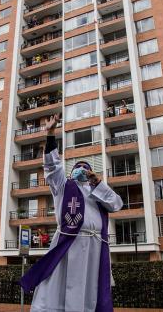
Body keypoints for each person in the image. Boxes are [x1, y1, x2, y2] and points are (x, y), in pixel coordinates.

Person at [20, 114, 123, 312]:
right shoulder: (63, 187)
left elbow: (116, 204)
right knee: (58, 287)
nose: (82, 170)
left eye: (86, 167)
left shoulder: (98, 191)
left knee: (89, 290)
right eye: (78, 167)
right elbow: (52, 167)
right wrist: (50, 134)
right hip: (69, 243)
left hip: (94, 247)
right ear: (71, 173)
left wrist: (97, 182)